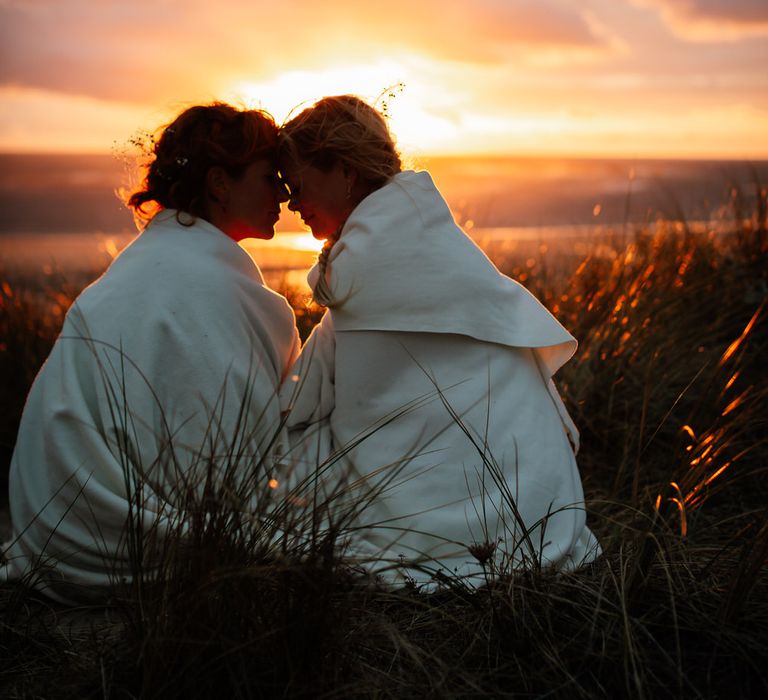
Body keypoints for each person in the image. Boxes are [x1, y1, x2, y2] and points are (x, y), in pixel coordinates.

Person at [278, 95, 600, 585]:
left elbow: (300, 406)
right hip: (532, 502)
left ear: (344, 172)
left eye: (298, 186)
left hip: (428, 521)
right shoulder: (443, 249)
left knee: (281, 467)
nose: (292, 204)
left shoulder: (360, 274)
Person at [1, 103, 300, 601]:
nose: (285, 197)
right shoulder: (228, 294)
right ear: (220, 184)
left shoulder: (130, 273)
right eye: (272, 179)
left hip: (57, 535)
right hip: (151, 550)